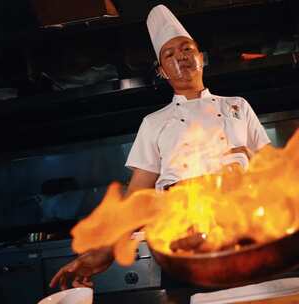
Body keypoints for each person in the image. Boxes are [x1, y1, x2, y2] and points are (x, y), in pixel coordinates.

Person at [49, 4, 270, 290]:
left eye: (187, 48)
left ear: (201, 57)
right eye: (169, 54)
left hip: (245, 238)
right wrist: (107, 249)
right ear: (162, 71)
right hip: (182, 247)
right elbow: (137, 195)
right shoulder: (154, 123)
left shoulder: (237, 106)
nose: (180, 56)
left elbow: (272, 170)